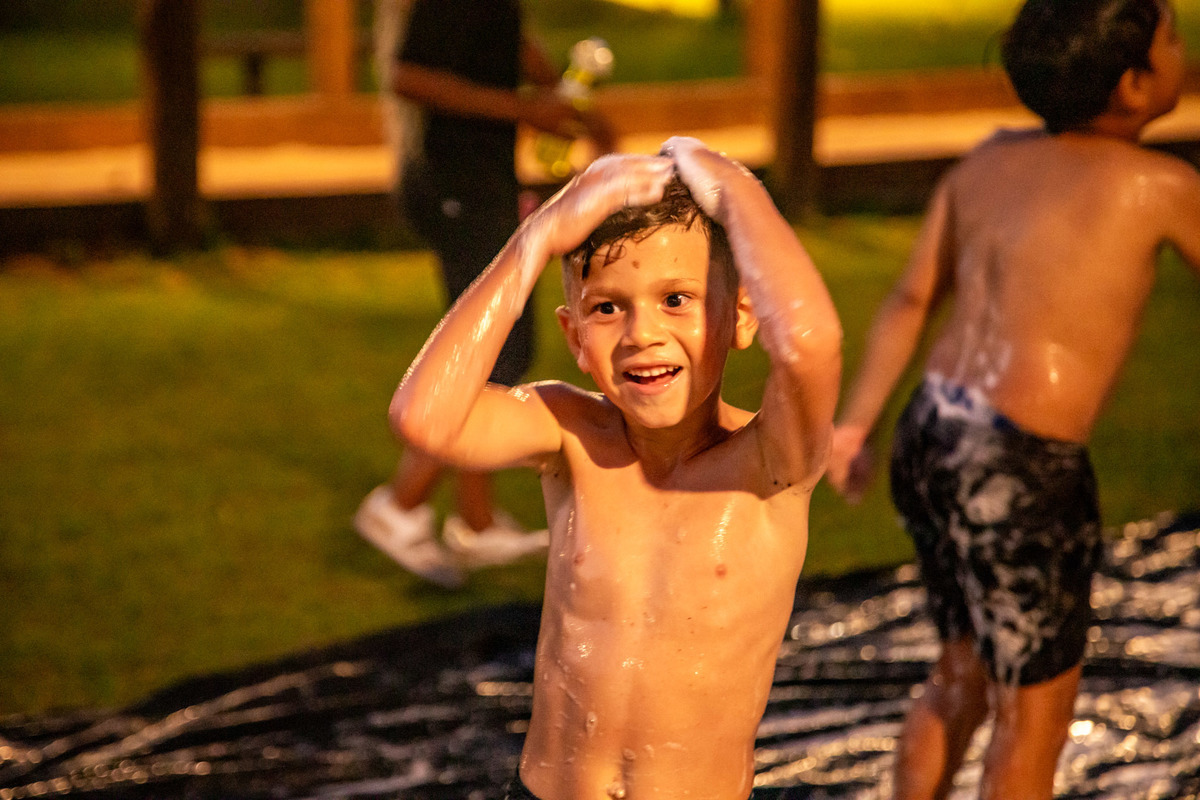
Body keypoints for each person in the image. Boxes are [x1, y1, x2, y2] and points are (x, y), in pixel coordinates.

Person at [388, 137, 842, 800]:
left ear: (743, 316)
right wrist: (537, 239)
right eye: (607, 307)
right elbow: (423, 418)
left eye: (677, 299)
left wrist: (737, 191)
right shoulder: (570, 433)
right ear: (575, 336)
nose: (641, 334)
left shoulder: (769, 462)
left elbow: (809, 343)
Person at [826, 1, 1200, 798]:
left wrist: (854, 426)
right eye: (1172, 36)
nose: (1185, 46)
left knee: (960, 667)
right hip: (1021, 464)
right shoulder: (1162, 184)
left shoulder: (987, 162)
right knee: (1033, 719)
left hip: (932, 433)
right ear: (1133, 85)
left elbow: (910, 299)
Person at [357, 0, 614, 588]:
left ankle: (476, 523)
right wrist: (526, 109)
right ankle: (398, 505)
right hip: (455, 182)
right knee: (492, 349)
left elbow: (502, 37)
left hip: (482, 179)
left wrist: (560, 97)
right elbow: (409, 74)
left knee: (499, 346)